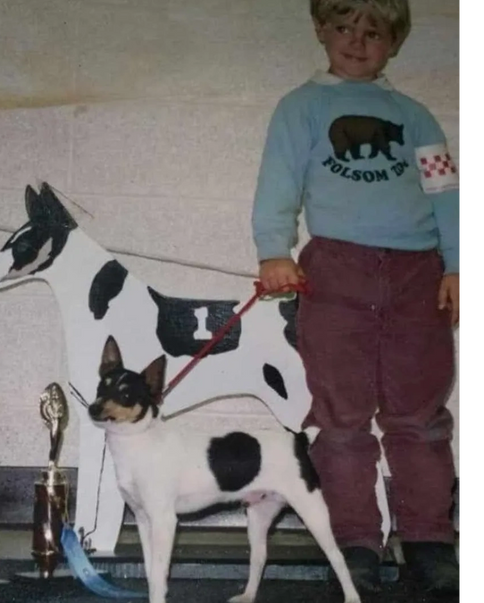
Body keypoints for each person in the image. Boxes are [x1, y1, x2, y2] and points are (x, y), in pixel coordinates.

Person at [252, 0, 462, 594]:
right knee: (341, 419)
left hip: (419, 276)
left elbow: (447, 192)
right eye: (344, 26)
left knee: (419, 416)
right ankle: (354, 547)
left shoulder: (416, 117)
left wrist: (459, 265)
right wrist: (274, 251)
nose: (357, 40)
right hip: (336, 270)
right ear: (321, 31)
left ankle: (429, 542)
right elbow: (278, 180)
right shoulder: (301, 108)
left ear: (393, 43)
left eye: (374, 31)